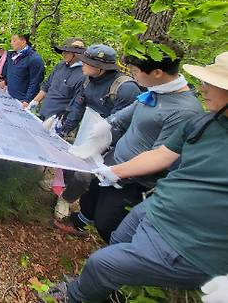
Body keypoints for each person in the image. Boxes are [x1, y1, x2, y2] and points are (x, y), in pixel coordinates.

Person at [39, 51, 228, 303]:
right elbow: (161, 154)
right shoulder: (205, 122)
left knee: (101, 263)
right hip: (158, 207)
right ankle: (106, 286)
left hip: (189, 240)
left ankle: (75, 296)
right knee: (116, 238)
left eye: (211, 83)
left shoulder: (185, 111)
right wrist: (113, 169)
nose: (202, 88)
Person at [55, 42, 203, 242]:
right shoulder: (155, 91)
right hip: (112, 161)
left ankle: (116, 255)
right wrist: (105, 127)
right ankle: (80, 222)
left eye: (135, 71)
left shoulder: (184, 110)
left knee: (107, 222)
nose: (133, 76)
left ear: (157, 72)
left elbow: (160, 156)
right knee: (90, 197)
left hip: (134, 180)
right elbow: (126, 114)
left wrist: (117, 172)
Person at [52, 44, 141, 220]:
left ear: (100, 68)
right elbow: (79, 104)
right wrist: (65, 128)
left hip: (109, 142)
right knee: (70, 162)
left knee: (85, 176)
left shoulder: (125, 88)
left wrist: (101, 144)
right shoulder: (88, 80)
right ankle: (63, 188)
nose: (82, 65)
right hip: (87, 129)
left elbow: (124, 123)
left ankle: (66, 199)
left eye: (86, 62)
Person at [25, 38, 86, 119]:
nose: (63, 54)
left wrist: (63, 124)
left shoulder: (83, 75)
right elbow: (47, 85)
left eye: (67, 52)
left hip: (56, 121)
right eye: (63, 51)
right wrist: (34, 102)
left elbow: (76, 106)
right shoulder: (60, 65)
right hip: (42, 114)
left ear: (77, 54)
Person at [0, 34, 45, 106]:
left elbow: (35, 82)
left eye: (14, 41)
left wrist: (27, 100)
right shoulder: (11, 54)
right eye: (11, 41)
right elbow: (12, 72)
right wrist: (5, 81)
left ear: (23, 42)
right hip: (9, 94)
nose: (11, 43)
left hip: (22, 100)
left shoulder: (34, 59)